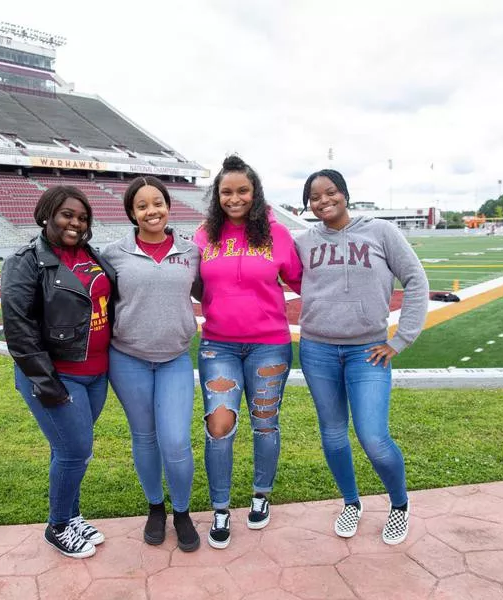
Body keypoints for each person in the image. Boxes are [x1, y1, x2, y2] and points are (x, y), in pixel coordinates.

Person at [295, 169, 428, 545]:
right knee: (333, 435)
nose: (323, 201)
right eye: (314, 197)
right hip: (317, 349)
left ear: (345, 193)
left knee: (373, 436)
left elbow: (416, 279)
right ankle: (351, 502)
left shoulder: (381, 232)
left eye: (330, 192)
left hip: (367, 351)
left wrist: (400, 340)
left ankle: (399, 505)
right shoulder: (303, 241)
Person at [0, 185, 117, 559]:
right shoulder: (26, 260)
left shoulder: (90, 254)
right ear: (47, 214)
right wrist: (46, 383)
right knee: (75, 450)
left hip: (96, 374)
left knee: (68, 450)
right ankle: (57, 526)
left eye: (82, 218)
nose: (76, 223)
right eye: (67, 214)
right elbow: (18, 330)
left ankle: (71, 514)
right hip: (57, 375)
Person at [193, 155, 302, 549]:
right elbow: (190, 283)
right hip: (218, 344)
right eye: (226, 191)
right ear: (216, 195)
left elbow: (306, 282)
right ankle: (220, 508)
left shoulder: (277, 235)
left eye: (242, 190)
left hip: (269, 344)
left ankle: (261, 495)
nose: (234, 198)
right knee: (218, 425)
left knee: (265, 422)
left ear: (254, 193)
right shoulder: (205, 235)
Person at [103, 176, 202, 552]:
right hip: (128, 358)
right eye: (142, 205)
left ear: (168, 206)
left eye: (157, 202)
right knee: (144, 438)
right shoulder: (114, 253)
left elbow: (214, 293)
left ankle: (182, 511)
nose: (151, 211)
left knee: (176, 441)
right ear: (131, 212)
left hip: (174, 358)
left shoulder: (190, 252)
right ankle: (155, 508)